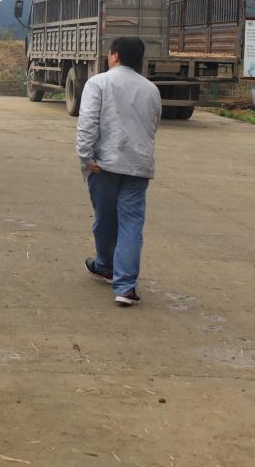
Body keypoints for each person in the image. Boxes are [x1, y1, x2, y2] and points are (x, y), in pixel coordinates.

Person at [75, 36, 162, 307]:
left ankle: (105, 265)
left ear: (114, 56)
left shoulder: (99, 82)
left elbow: (88, 122)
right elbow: (153, 125)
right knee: (131, 225)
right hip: (138, 166)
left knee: (105, 219)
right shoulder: (151, 89)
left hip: (104, 164)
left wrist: (85, 157)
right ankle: (126, 287)